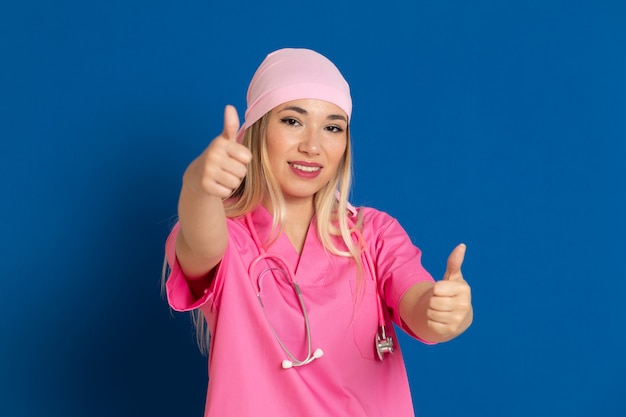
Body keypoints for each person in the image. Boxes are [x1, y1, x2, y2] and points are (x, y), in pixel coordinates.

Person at [163, 48, 473, 417]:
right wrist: (198, 186)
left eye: (332, 127)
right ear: (258, 130)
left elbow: (418, 304)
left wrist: (446, 310)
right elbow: (201, 239)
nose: (313, 146)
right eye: (293, 121)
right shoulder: (231, 239)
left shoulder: (372, 234)